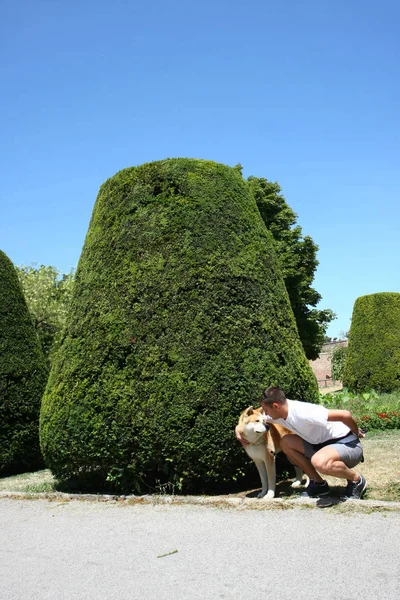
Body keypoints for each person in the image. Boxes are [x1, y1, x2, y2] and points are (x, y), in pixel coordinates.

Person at [235, 386, 367, 500]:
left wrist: (356, 433)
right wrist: (238, 430)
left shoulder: (303, 413)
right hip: (320, 445)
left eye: (265, 410)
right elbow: (249, 421)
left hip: (346, 443)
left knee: (319, 461)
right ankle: (318, 485)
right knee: (286, 442)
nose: (264, 415)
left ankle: (356, 480)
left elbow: (345, 414)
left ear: (275, 406)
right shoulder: (279, 414)